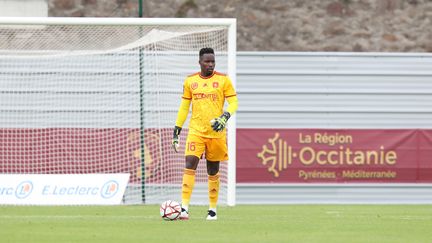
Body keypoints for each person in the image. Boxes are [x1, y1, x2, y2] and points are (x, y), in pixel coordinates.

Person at [172, 47, 238, 221]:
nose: (210, 64)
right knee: (190, 162)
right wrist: (177, 128)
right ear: (199, 62)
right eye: (207, 61)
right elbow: (185, 107)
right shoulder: (190, 81)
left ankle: (212, 209)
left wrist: (225, 116)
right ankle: (184, 208)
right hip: (196, 130)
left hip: (216, 133)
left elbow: (234, 103)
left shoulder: (224, 80)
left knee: (213, 169)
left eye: (213, 61)